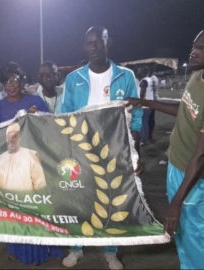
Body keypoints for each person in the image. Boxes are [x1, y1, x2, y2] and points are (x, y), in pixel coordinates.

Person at [60, 26, 143, 270]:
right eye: (89, 43)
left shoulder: (125, 76)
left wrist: (135, 151)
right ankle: (76, 249)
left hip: (115, 152)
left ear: (109, 42)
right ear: (84, 46)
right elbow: (63, 116)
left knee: (112, 201)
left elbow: (135, 115)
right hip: (81, 152)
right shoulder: (74, 78)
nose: (94, 47)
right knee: (79, 201)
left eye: (99, 42)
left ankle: (110, 251)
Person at [126, 30, 204, 270]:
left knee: (194, 237)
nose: (194, 52)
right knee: (181, 234)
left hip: (192, 177)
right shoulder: (197, 77)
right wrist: (147, 103)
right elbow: (185, 110)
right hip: (175, 165)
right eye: (194, 46)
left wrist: (177, 202)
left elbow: (200, 156)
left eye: (201, 49)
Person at [0, 62, 61, 265]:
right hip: (12, 168)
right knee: (16, 210)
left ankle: (41, 250)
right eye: (7, 81)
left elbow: (50, 129)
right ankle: (16, 248)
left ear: (22, 81)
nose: (11, 85)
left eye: (15, 80)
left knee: (36, 209)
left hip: (35, 163)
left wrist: (37, 116)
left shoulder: (35, 101)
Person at [136, 66, 154, 146]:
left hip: (144, 105)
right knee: (145, 122)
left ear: (143, 72)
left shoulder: (144, 81)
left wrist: (139, 102)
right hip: (149, 104)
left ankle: (143, 140)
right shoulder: (149, 79)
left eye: (139, 70)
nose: (138, 72)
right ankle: (145, 138)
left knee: (143, 123)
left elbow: (142, 93)